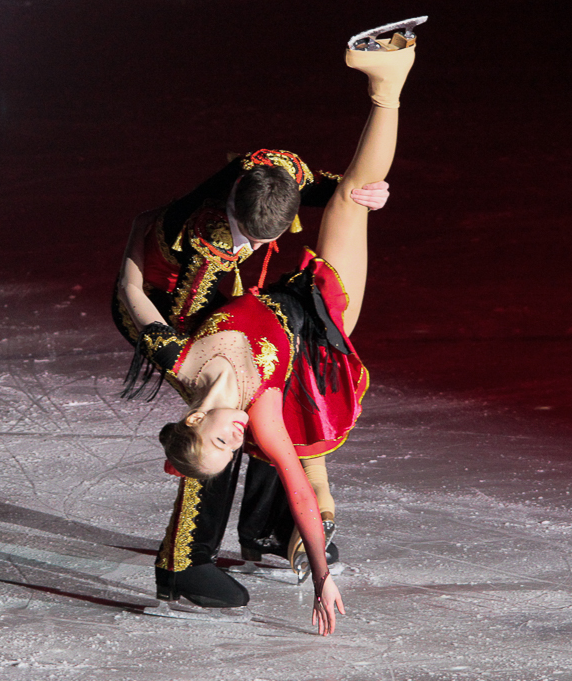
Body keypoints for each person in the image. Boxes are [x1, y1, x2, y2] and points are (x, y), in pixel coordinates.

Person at [157, 29, 415, 635]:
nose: (235, 438)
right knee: (351, 202)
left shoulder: (183, 356)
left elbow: (146, 311)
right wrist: (324, 578)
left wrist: (130, 268)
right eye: (232, 447)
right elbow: (294, 483)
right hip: (321, 318)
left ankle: (254, 538)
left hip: (271, 291)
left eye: (221, 441)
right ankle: (392, 84)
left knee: (353, 195)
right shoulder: (261, 410)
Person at [113, 138, 388, 612]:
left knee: (226, 422)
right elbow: (171, 304)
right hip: (176, 308)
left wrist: (355, 190)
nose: (234, 437)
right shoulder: (210, 246)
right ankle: (183, 561)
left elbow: (140, 289)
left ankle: (265, 530)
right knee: (227, 436)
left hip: (187, 321)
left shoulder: (254, 183)